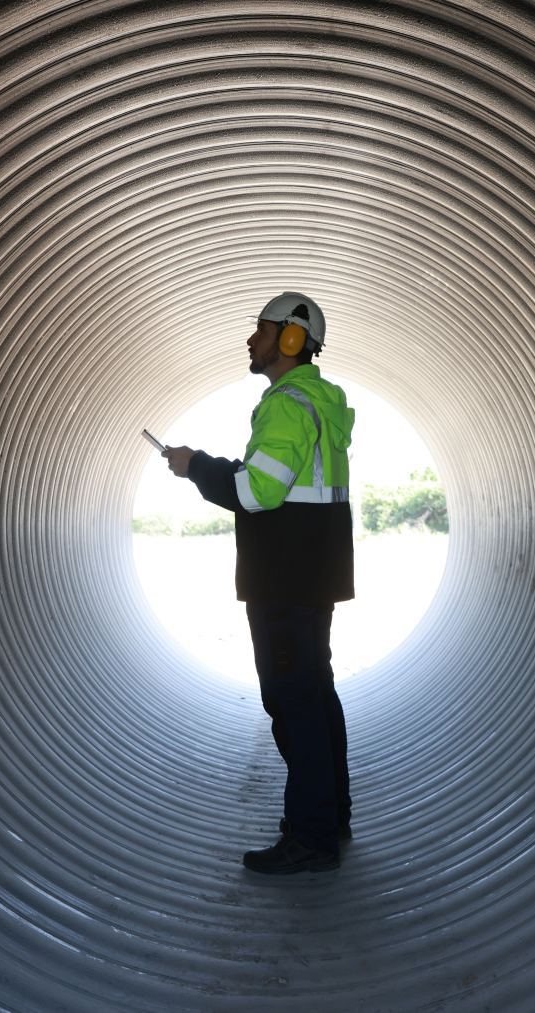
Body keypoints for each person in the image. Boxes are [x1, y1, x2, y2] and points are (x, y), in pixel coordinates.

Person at [162, 291, 356, 874]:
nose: (253, 340)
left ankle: (312, 837)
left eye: (263, 330)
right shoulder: (324, 402)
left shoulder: (286, 403)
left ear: (292, 339)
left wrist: (195, 465)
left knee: (293, 701)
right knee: (316, 697)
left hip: (284, 576)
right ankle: (328, 815)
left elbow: (256, 492)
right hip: (313, 571)